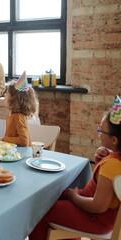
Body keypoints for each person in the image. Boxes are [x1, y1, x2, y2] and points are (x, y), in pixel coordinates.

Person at [29, 98, 121, 239]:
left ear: (114, 140)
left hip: (95, 219)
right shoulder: (114, 160)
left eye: (101, 130)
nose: (98, 133)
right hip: (97, 215)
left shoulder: (112, 165)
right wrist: (99, 162)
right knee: (55, 195)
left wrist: (74, 197)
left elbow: (98, 206)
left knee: (39, 210)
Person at [0, 72, 38, 146]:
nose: (5, 95)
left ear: (14, 99)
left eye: (7, 93)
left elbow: (24, 141)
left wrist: (1, 139)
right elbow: (9, 137)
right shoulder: (11, 114)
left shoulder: (18, 116)